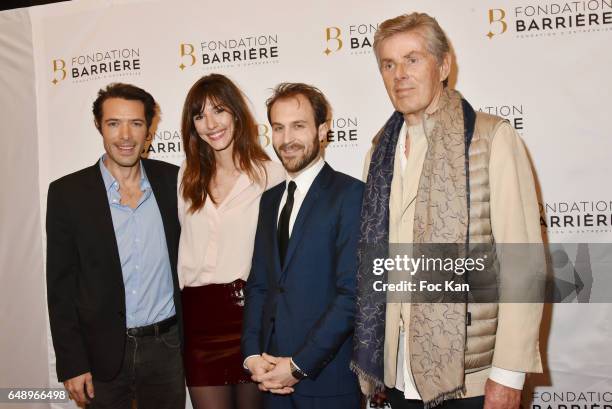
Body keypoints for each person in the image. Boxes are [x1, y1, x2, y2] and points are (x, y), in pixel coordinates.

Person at [351, 12, 544, 409]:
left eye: (412, 59)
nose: (399, 74)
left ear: (443, 65)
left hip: (471, 377)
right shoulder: (379, 150)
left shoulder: (491, 138)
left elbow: (523, 265)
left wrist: (508, 375)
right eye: (388, 64)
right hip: (397, 371)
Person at [46, 83, 185, 409]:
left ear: (149, 128)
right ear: (99, 126)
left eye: (136, 123)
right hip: (101, 352)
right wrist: (72, 362)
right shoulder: (68, 194)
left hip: (166, 348)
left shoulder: (175, 181)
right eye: (113, 123)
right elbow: (61, 287)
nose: (125, 135)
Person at [241, 82, 364, 409]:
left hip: (326, 381)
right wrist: (252, 354)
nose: (286, 139)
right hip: (270, 382)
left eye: (298, 126)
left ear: (322, 130)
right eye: (278, 128)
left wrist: (297, 366)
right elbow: (260, 285)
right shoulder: (269, 201)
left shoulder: (351, 196)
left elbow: (353, 294)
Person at [178, 73, 285, 409]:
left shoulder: (271, 174)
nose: (210, 123)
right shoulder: (185, 176)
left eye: (219, 110)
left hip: (249, 319)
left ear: (236, 114)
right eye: (199, 115)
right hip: (198, 321)